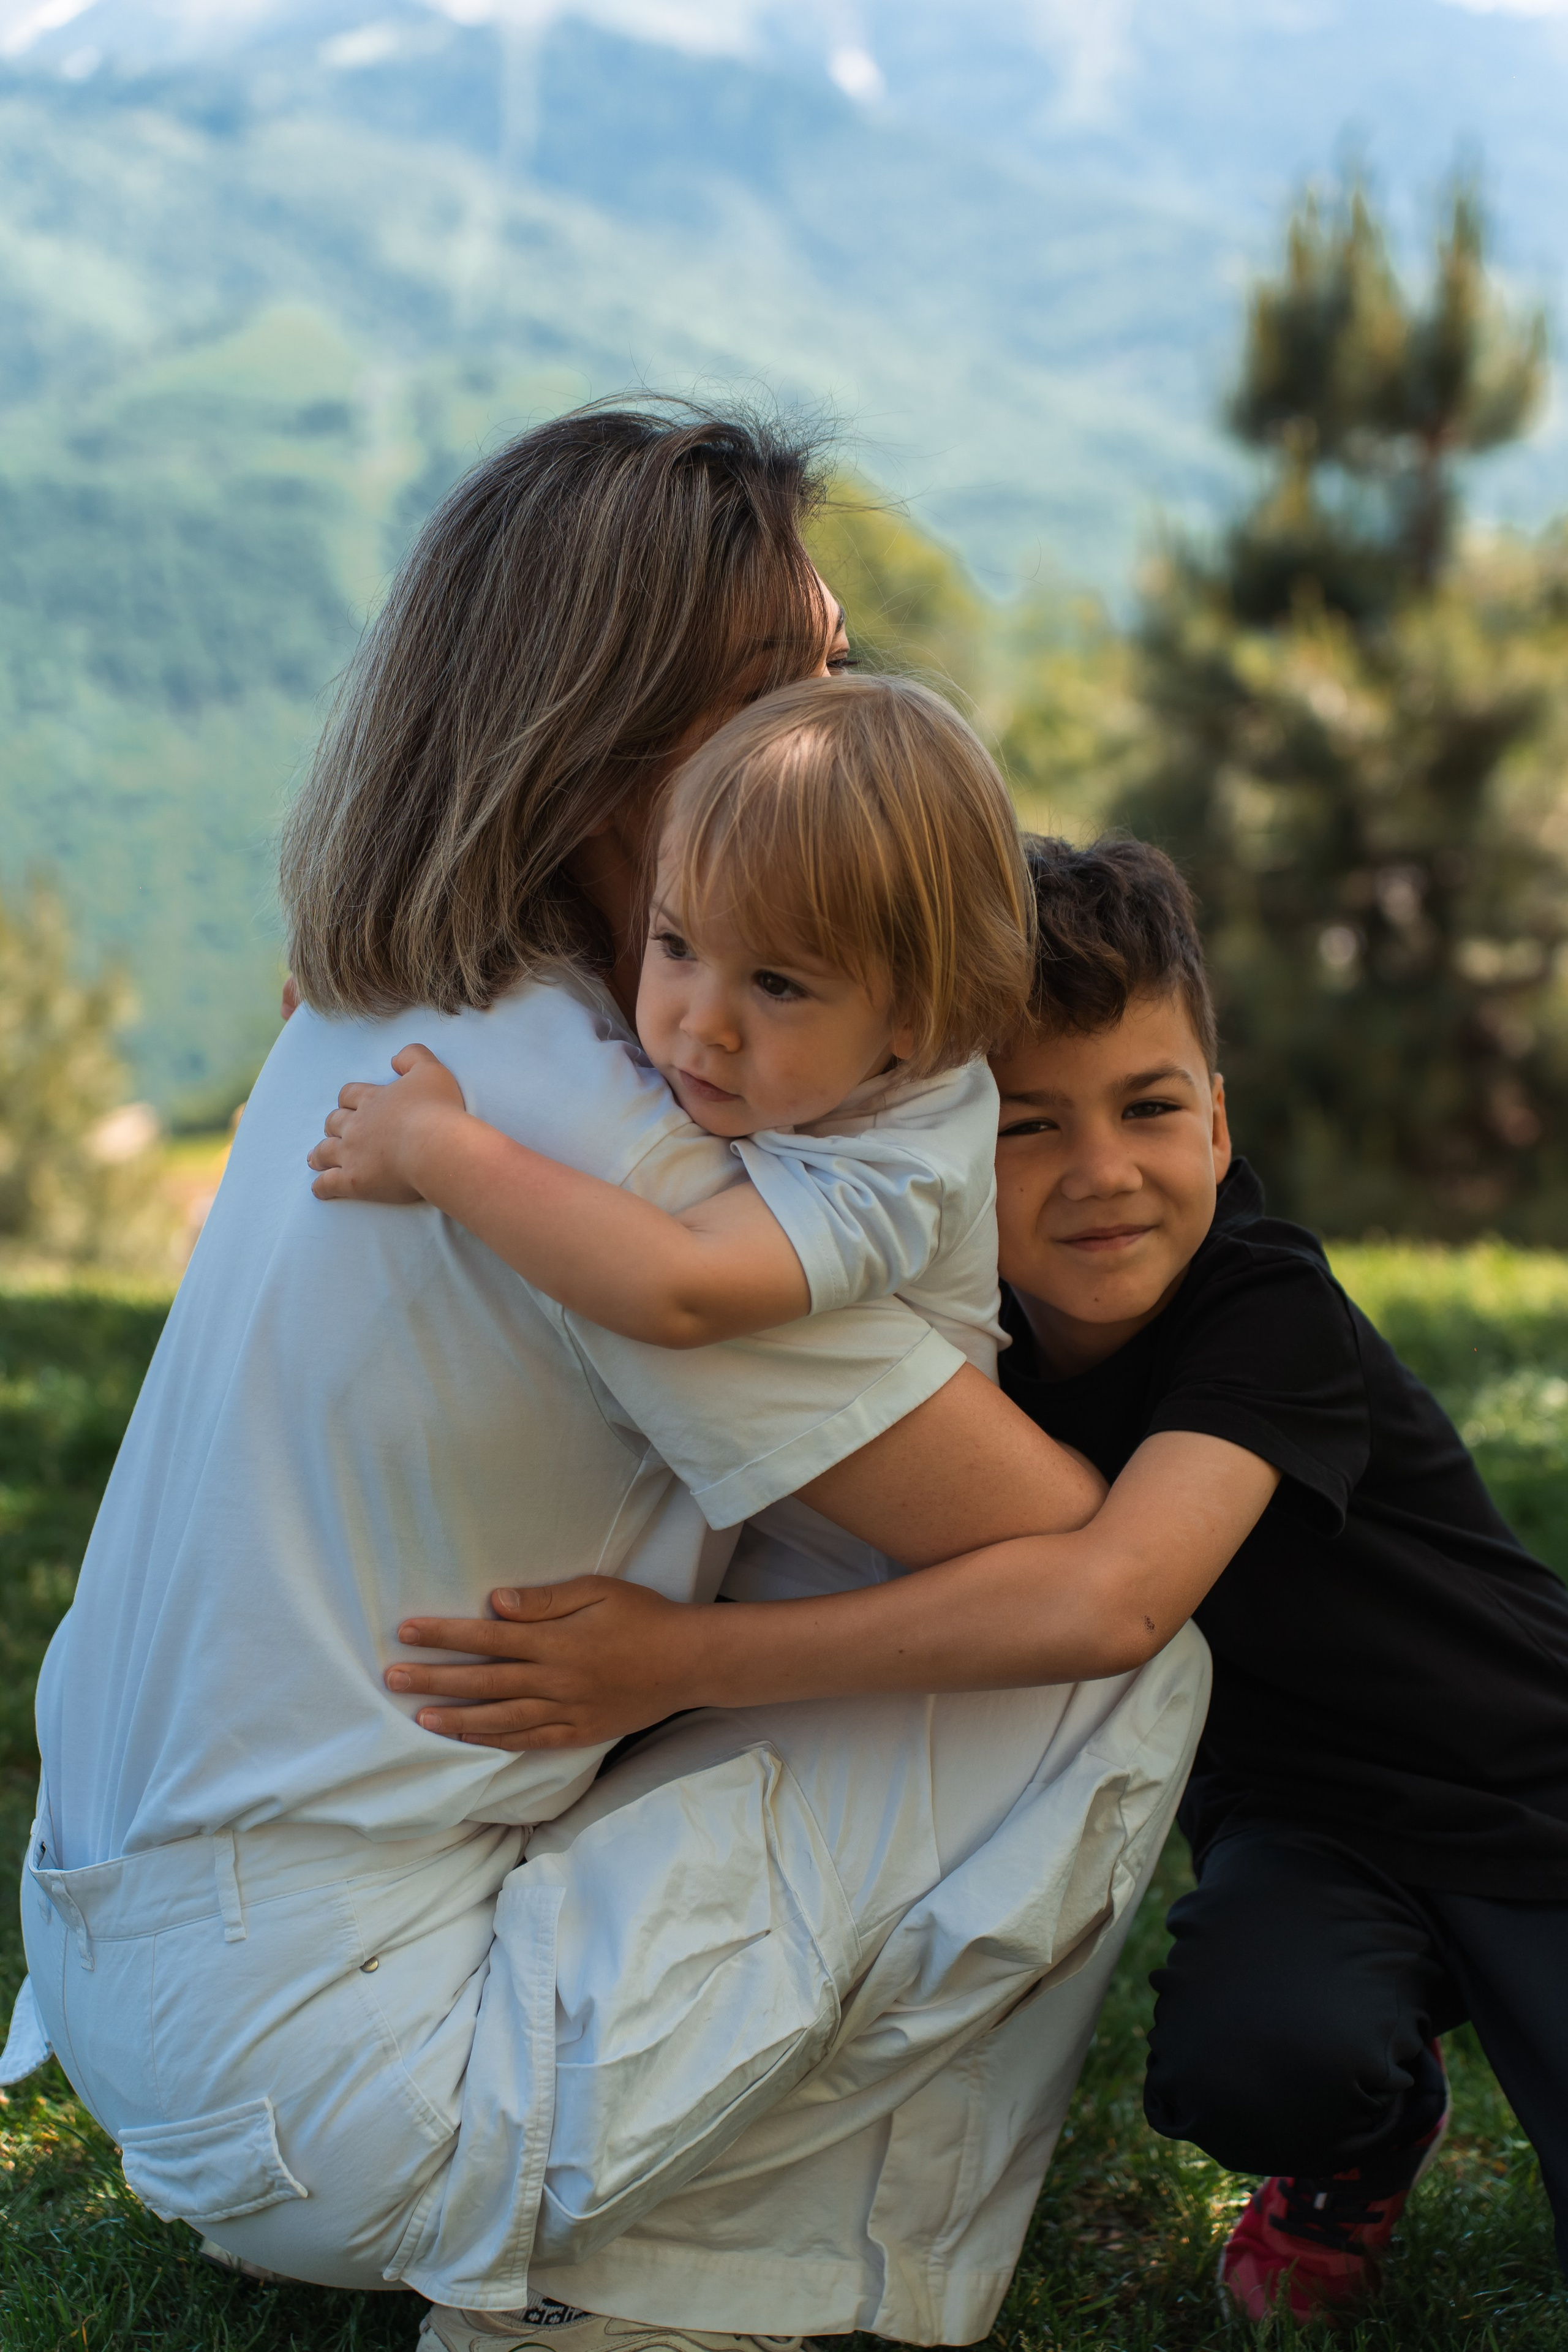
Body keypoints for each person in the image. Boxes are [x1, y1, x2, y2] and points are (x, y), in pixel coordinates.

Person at [6, 404, 1210, 2352]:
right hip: (321, 2077)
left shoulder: (393, 1005)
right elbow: (1058, 1568)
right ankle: (664, 2297)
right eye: (772, 700)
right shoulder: (625, 1165)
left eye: (838, 673)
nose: (828, 750)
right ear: (593, 746)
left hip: (143, 1979)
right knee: (1118, 1662)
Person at [985, 832, 1568, 2325]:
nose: (1099, 1172)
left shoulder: (1267, 1304)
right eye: (1023, 1127)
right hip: (1311, 1824)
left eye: (1147, 1107)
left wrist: (668, 1658)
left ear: (1219, 1120)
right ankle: (1363, 2138)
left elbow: (1114, 1599)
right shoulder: (966, 1355)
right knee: (1249, 2060)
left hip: (1528, 1778)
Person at [306, 671, 1031, 1608]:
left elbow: (676, 1290)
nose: (703, 1026)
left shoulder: (909, 1164)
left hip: (857, 1620)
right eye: (677, 945)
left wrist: (436, 1149)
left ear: (917, 1016)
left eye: (777, 985)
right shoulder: (805, 1068)